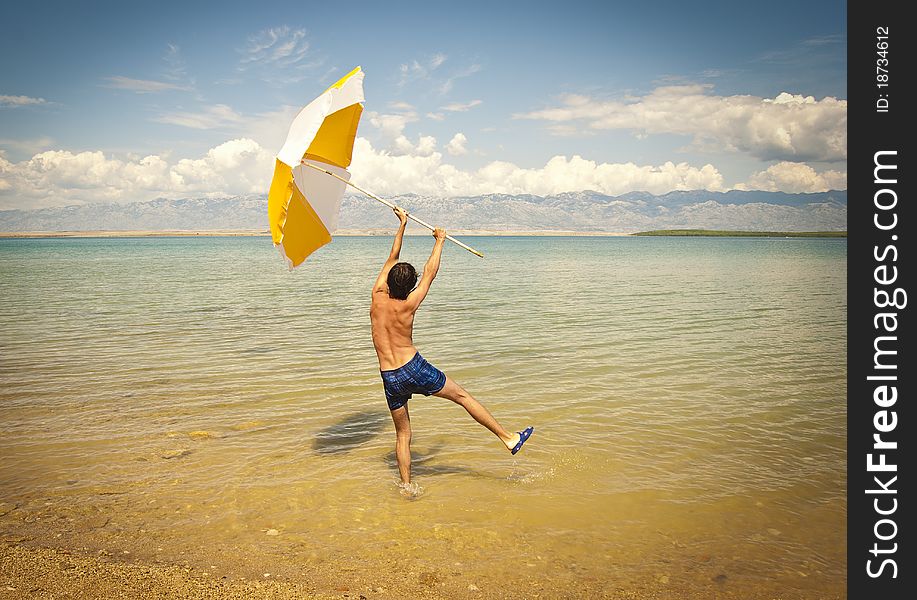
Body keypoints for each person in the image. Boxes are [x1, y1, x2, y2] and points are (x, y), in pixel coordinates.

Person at [370, 206, 533, 488]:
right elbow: (430, 274)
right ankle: (508, 438)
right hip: (414, 368)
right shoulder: (408, 304)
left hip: (389, 376)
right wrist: (440, 240)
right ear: (410, 286)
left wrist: (402, 225)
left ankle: (407, 488)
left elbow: (392, 256)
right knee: (462, 397)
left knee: (403, 435)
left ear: (388, 280)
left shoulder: (376, 296)